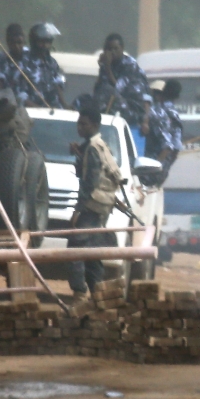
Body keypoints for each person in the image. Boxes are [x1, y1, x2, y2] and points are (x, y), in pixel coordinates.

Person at [68, 106, 123, 301]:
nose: (80, 128)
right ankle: (98, 292)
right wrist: (78, 154)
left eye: (84, 124)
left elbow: (89, 182)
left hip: (91, 204)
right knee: (92, 249)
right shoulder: (99, 145)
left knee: (75, 247)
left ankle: (79, 293)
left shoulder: (92, 148)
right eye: (78, 123)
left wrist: (77, 210)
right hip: (102, 205)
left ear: (95, 125)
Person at [94, 33, 150, 127]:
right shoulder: (107, 65)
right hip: (116, 103)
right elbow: (97, 90)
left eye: (116, 49)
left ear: (122, 48)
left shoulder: (130, 65)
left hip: (133, 108)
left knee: (107, 90)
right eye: (109, 49)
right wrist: (102, 67)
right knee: (84, 99)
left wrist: (107, 67)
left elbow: (117, 88)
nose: (112, 52)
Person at [17, 23, 66, 108]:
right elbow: (20, 95)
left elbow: (58, 86)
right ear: (34, 41)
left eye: (48, 41)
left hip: (54, 112)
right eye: (42, 42)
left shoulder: (52, 63)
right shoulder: (24, 62)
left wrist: (66, 106)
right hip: (31, 113)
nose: (45, 45)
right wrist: (40, 109)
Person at [0, 23, 27, 93]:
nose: (16, 46)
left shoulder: (31, 56)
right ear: (8, 42)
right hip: (10, 97)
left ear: (24, 42)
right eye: (13, 43)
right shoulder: (2, 58)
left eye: (19, 42)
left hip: (31, 97)